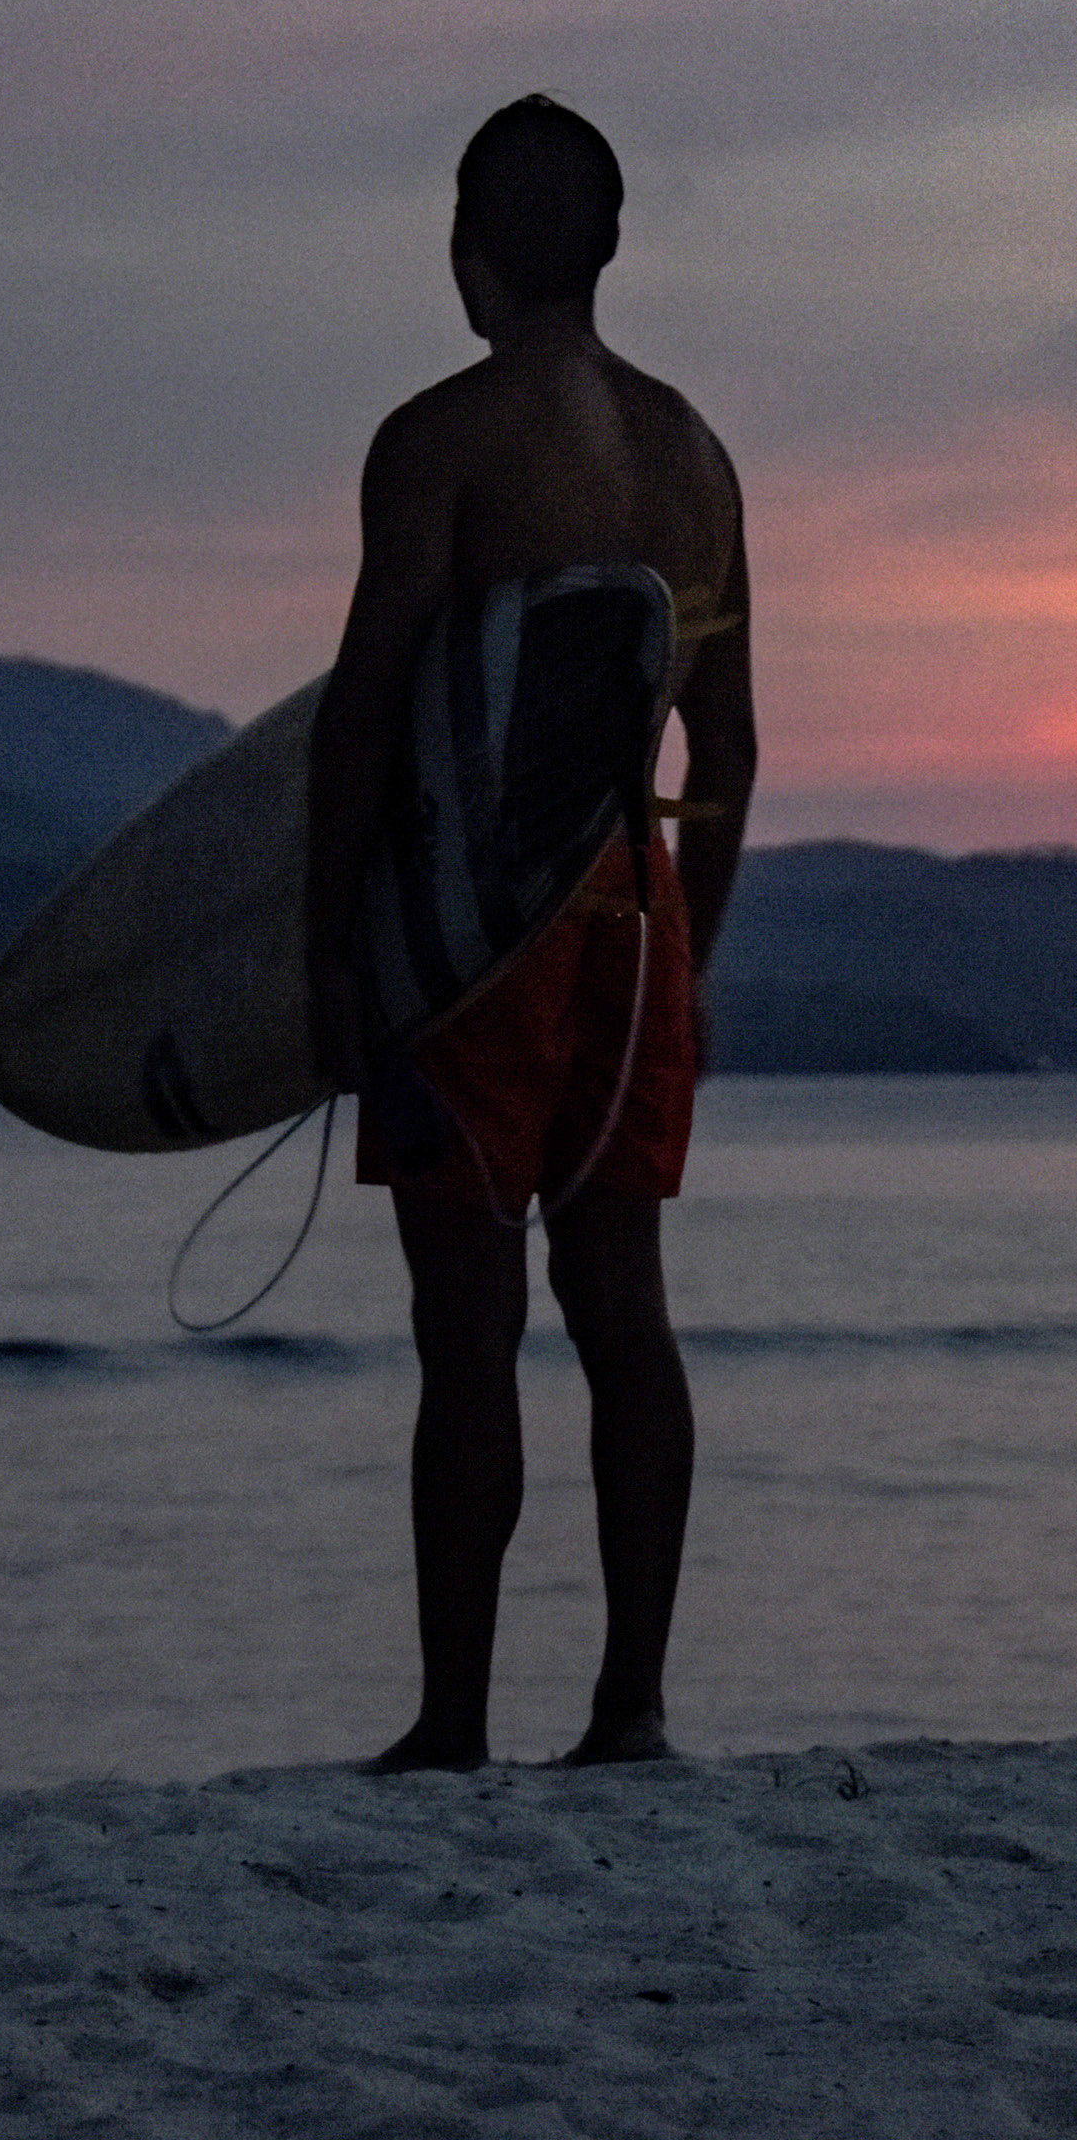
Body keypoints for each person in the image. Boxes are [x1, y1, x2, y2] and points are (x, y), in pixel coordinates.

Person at [306, 96, 758, 1772]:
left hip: (478, 923)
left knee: (468, 1324)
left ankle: (452, 1721)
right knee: (624, 1309)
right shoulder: (695, 455)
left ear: (463, 250)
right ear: (617, 246)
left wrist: (329, 934)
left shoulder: (441, 439)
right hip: (632, 910)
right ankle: (631, 1707)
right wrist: (683, 960)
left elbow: (370, 700)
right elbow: (730, 747)